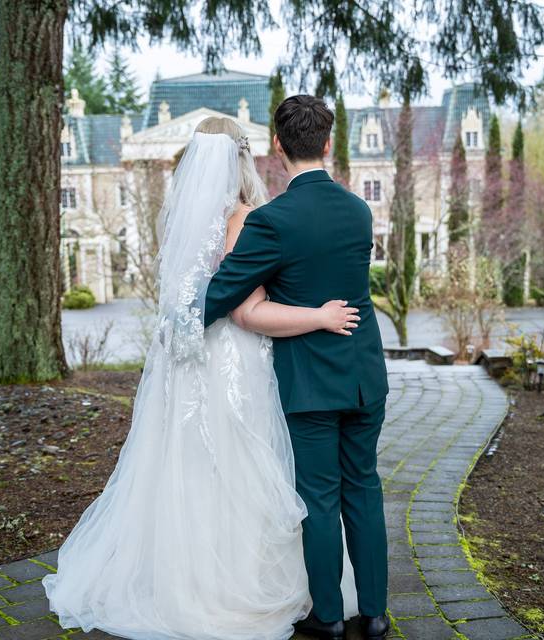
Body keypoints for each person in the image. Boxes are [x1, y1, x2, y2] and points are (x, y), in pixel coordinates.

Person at [44, 115, 360, 640]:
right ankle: (236, 584)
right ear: (243, 157)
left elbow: (186, 292)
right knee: (241, 461)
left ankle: (179, 577)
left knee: (188, 463)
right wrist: (317, 314)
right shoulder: (246, 217)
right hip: (233, 357)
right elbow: (246, 309)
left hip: (184, 358)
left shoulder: (177, 215)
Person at [205, 95, 390, 640]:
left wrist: (184, 323)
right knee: (364, 487)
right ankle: (375, 616)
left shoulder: (271, 221)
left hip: (309, 381)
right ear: (328, 143)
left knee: (319, 497)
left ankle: (328, 618)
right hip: (363, 375)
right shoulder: (359, 210)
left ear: (277, 146)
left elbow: (225, 292)